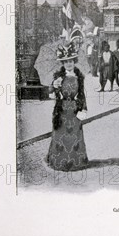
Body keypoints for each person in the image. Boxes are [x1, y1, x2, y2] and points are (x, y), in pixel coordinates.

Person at [46, 43, 88, 171]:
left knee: (75, 135)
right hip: (61, 109)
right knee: (61, 134)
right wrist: (54, 86)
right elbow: (51, 93)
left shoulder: (79, 76)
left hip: (74, 109)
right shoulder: (58, 76)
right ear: (63, 64)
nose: (69, 64)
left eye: (71, 61)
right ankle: (59, 161)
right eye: (66, 62)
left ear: (74, 61)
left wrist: (84, 108)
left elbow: (82, 94)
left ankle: (75, 161)